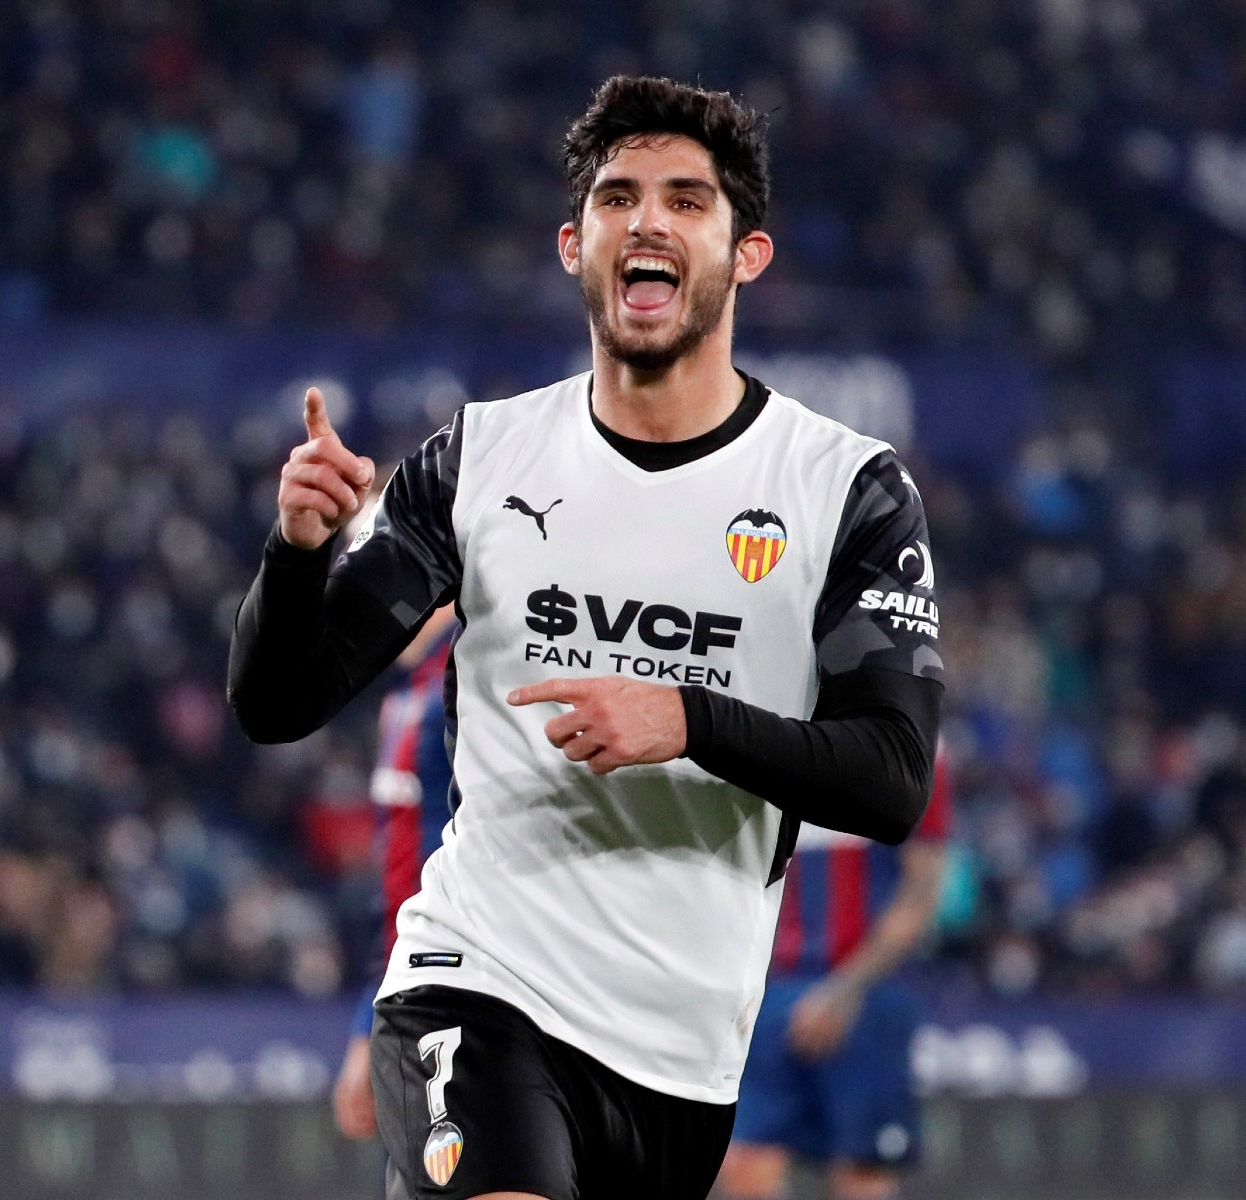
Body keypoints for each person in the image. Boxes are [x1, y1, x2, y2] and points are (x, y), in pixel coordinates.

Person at [229, 73, 944, 1200]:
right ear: (576, 244)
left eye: (686, 200)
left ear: (746, 255)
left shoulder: (845, 489)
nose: (648, 220)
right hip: (480, 978)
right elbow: (278, 703)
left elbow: (892, 781)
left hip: (686, 1052)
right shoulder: (478, 461)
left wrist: (686, 719)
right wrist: (298, 554)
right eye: (618, 198)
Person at [716, 750, 953, 1200]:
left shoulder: (913, 748)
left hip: (867, 994)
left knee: (863, 1174)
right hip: (770, 989)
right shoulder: (768, 728)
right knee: (745, 1166)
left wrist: (844, 991)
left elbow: (922, 889)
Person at [334, 605, 458, 1142]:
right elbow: (403, 884)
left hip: (470, 987)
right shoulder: (412, 691)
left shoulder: (478, 677)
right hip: (418, 981)